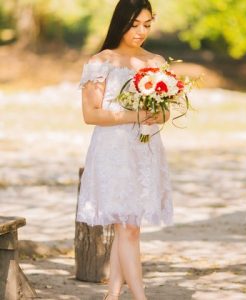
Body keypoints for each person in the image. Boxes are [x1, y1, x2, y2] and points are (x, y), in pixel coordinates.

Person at [76, 0, 173, 299]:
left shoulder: (155, 62)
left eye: (147, 24)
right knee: (128, 227)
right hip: (113, 151)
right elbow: (91, 115)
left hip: (144, 150)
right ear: (121, 22)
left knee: (128, 226)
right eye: (134, 25)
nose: (141, 31)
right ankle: (140, 296)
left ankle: (113, 294)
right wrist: (137, 115)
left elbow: (165, 113)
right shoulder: (100, 61)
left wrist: (157, 113)